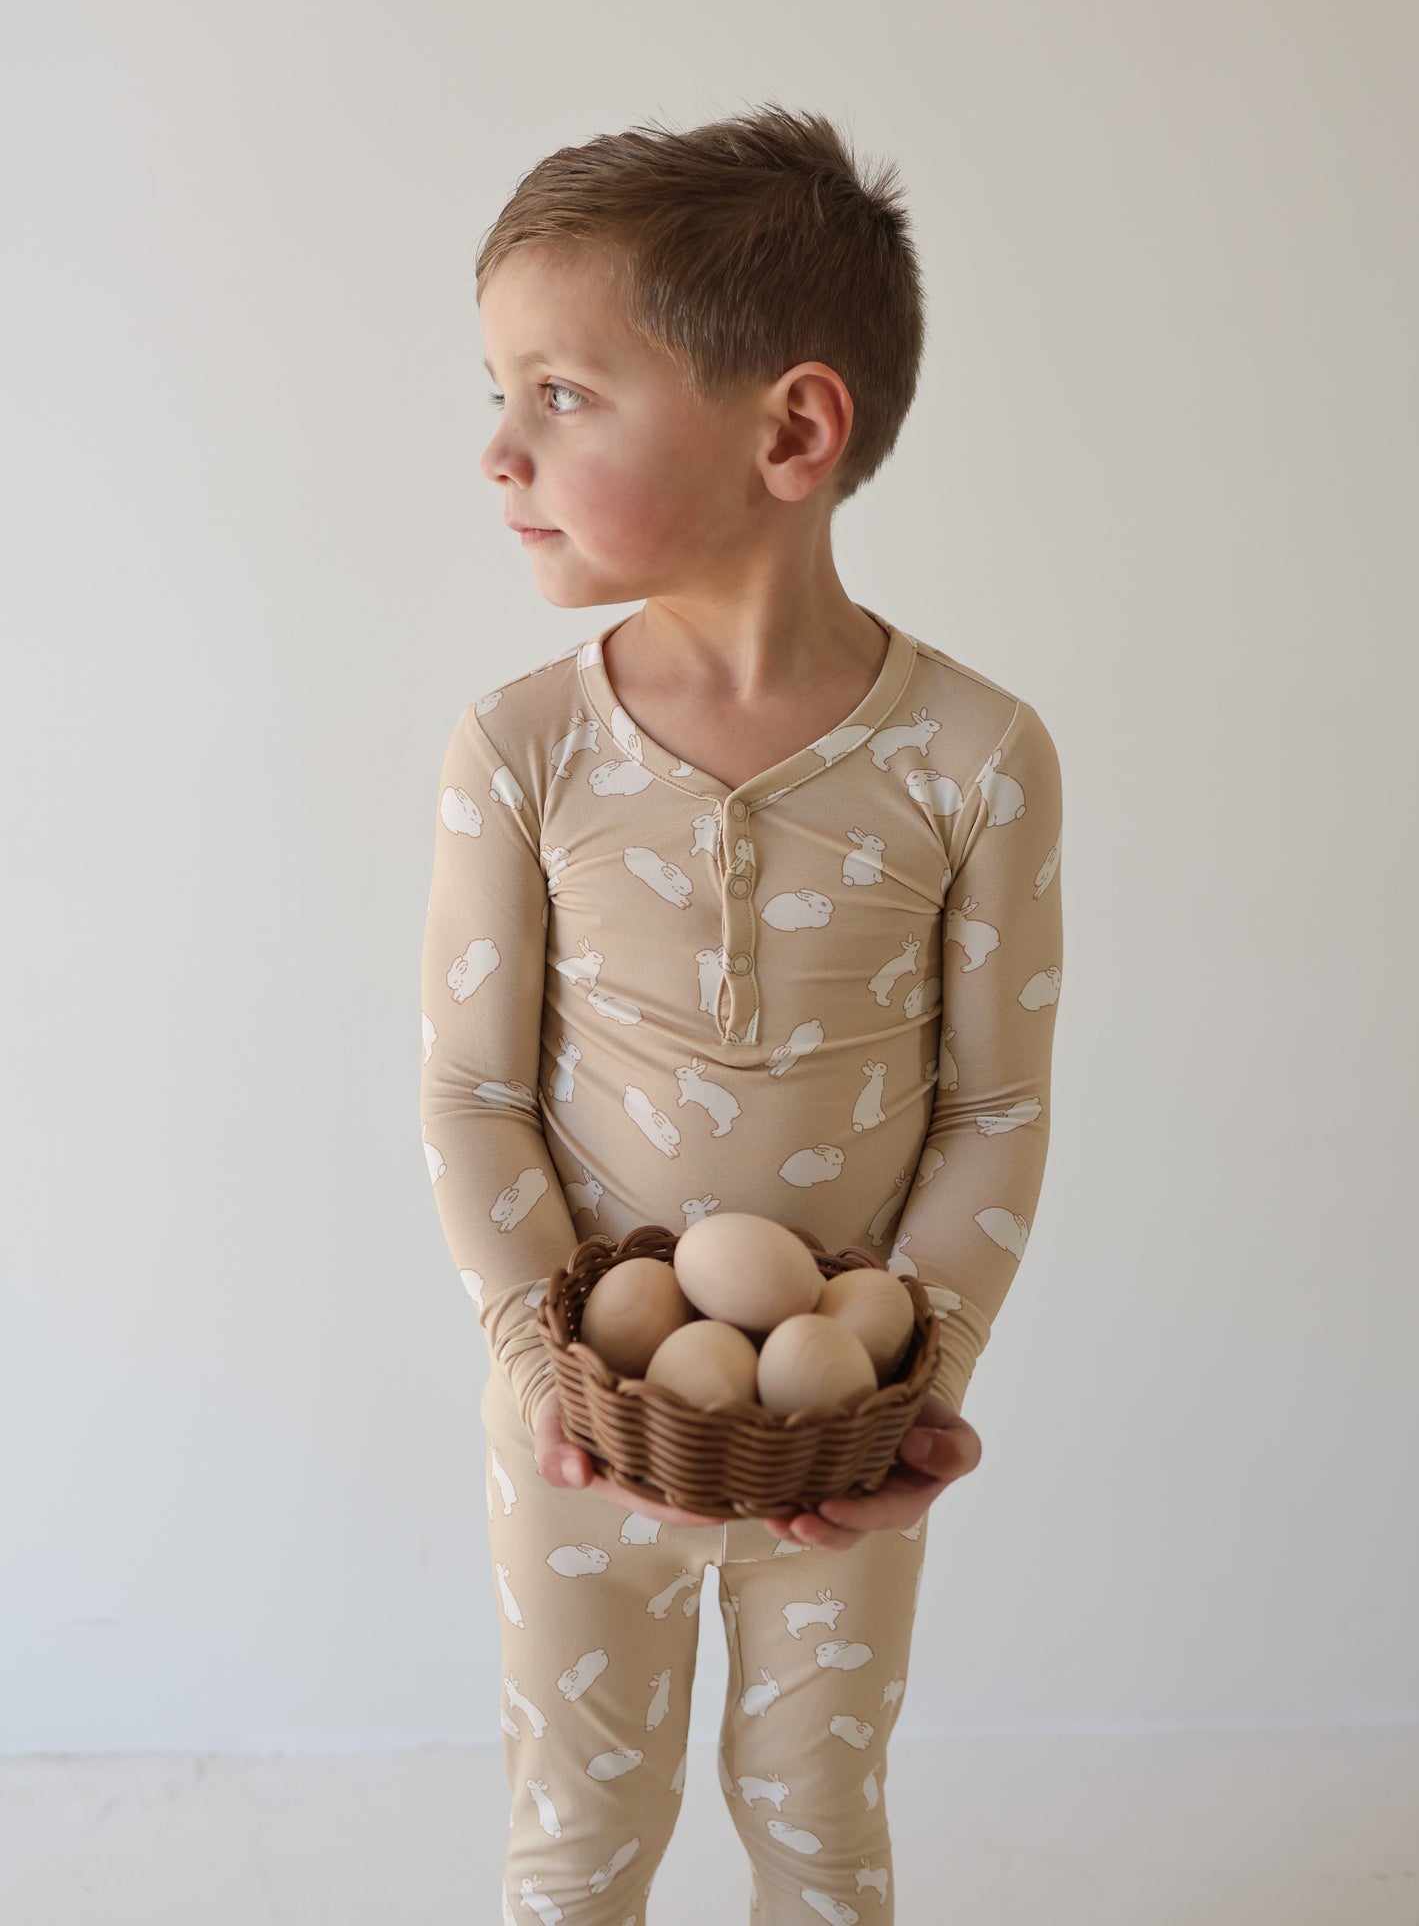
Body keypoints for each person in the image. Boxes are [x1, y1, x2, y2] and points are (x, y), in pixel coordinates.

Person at [418, 103, 1064, 1925]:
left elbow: (995, 1110)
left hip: (832, 1448)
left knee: (818, 1826)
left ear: (791, 431)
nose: (497, 448)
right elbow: (472, 1094)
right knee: (576, 1839)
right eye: (497, 390)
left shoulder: (973, 758)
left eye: (560, 394)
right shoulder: (521, 751)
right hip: (572, 1433)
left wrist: (915, 1372)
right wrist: (547, 1369)